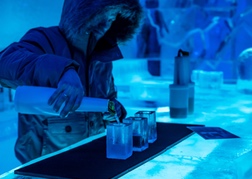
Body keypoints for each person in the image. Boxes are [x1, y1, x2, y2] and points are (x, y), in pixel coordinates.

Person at [0, 0, 143, 164]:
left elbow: (108, 103)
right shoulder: (45, 39)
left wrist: (114, 111)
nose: (106, 23)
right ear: (83, 12)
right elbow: (4, 63)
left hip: (92, 165)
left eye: (112, 17)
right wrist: (63, 70)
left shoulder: (103, 56)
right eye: (102, 14)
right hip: (45, 171)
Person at [136, 0, 169, 76]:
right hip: (147, 36)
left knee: (153, 51)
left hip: (155, 41)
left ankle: (154, 72)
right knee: (145, 51)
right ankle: (147, 71)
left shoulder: (158, 14)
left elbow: (163, 24)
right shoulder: (145, 14)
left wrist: (163, 32)